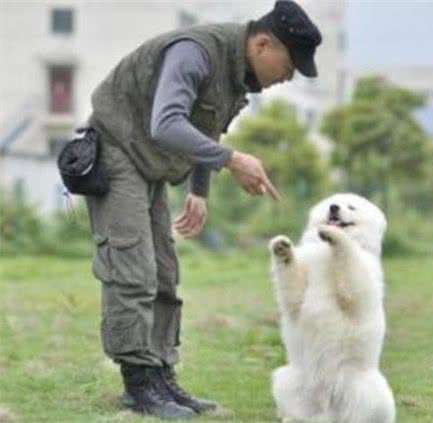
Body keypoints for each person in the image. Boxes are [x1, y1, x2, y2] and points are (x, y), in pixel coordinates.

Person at [85, 1, 321, 419]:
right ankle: (139, 387)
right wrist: (232, 160)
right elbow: (167, 122)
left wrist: (199, 189)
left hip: (150, 164)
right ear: (263, 44)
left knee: (163, 272)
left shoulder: (237, 72)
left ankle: (161, 378)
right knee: (133, 269)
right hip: (116, 152)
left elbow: (202, 124)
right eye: (289, 66)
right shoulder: (195, 52)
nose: (287, 78)